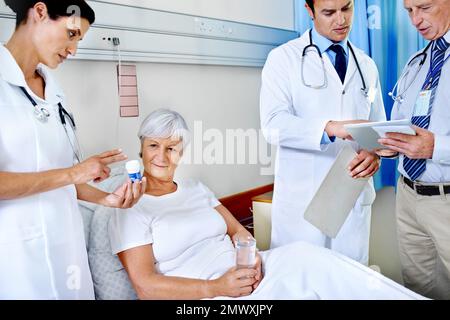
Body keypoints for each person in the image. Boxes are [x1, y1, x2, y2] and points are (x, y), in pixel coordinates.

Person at [107, 109, 424, 300]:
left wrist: (251, 261)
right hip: (211, 291)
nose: (162, 156)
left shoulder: (194, 189)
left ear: (182, 152)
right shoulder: (129, 206)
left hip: (249, 274)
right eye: (153, 146)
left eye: (172, 147)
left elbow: (239, 234)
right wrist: (218, 285)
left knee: (312, 258)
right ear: (141, 148)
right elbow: (145, 287)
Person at [0, 0, 146, 299]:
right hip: (16, 259)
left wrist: (106, 198)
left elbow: (65, 182)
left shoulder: (55, 93)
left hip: (68, 251)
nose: (73, 50)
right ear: (39, 12)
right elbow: (66, 174)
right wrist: (75, 172)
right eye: (71, 35)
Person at [259, 0, 385, 265]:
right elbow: (273, 124)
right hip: (303, 199)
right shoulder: (284, 58)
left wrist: (375, 154)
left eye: (347, 8)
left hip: (350, 194)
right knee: (301, 281)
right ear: (309, 10)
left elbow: (377, 129)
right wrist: (328, 128)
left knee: (350, 284)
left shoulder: (366, 65)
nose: (341, 20)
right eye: (329, 12)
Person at [377, 0, 450, 300]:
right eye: (409, 11)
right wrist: (389, 144)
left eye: (424, 7)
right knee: (418, 291)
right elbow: (403, 123)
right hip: (407, 196)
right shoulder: (416, 63)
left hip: (446, 201)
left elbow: (430, 142)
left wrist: (436, 146)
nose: (415, 20)